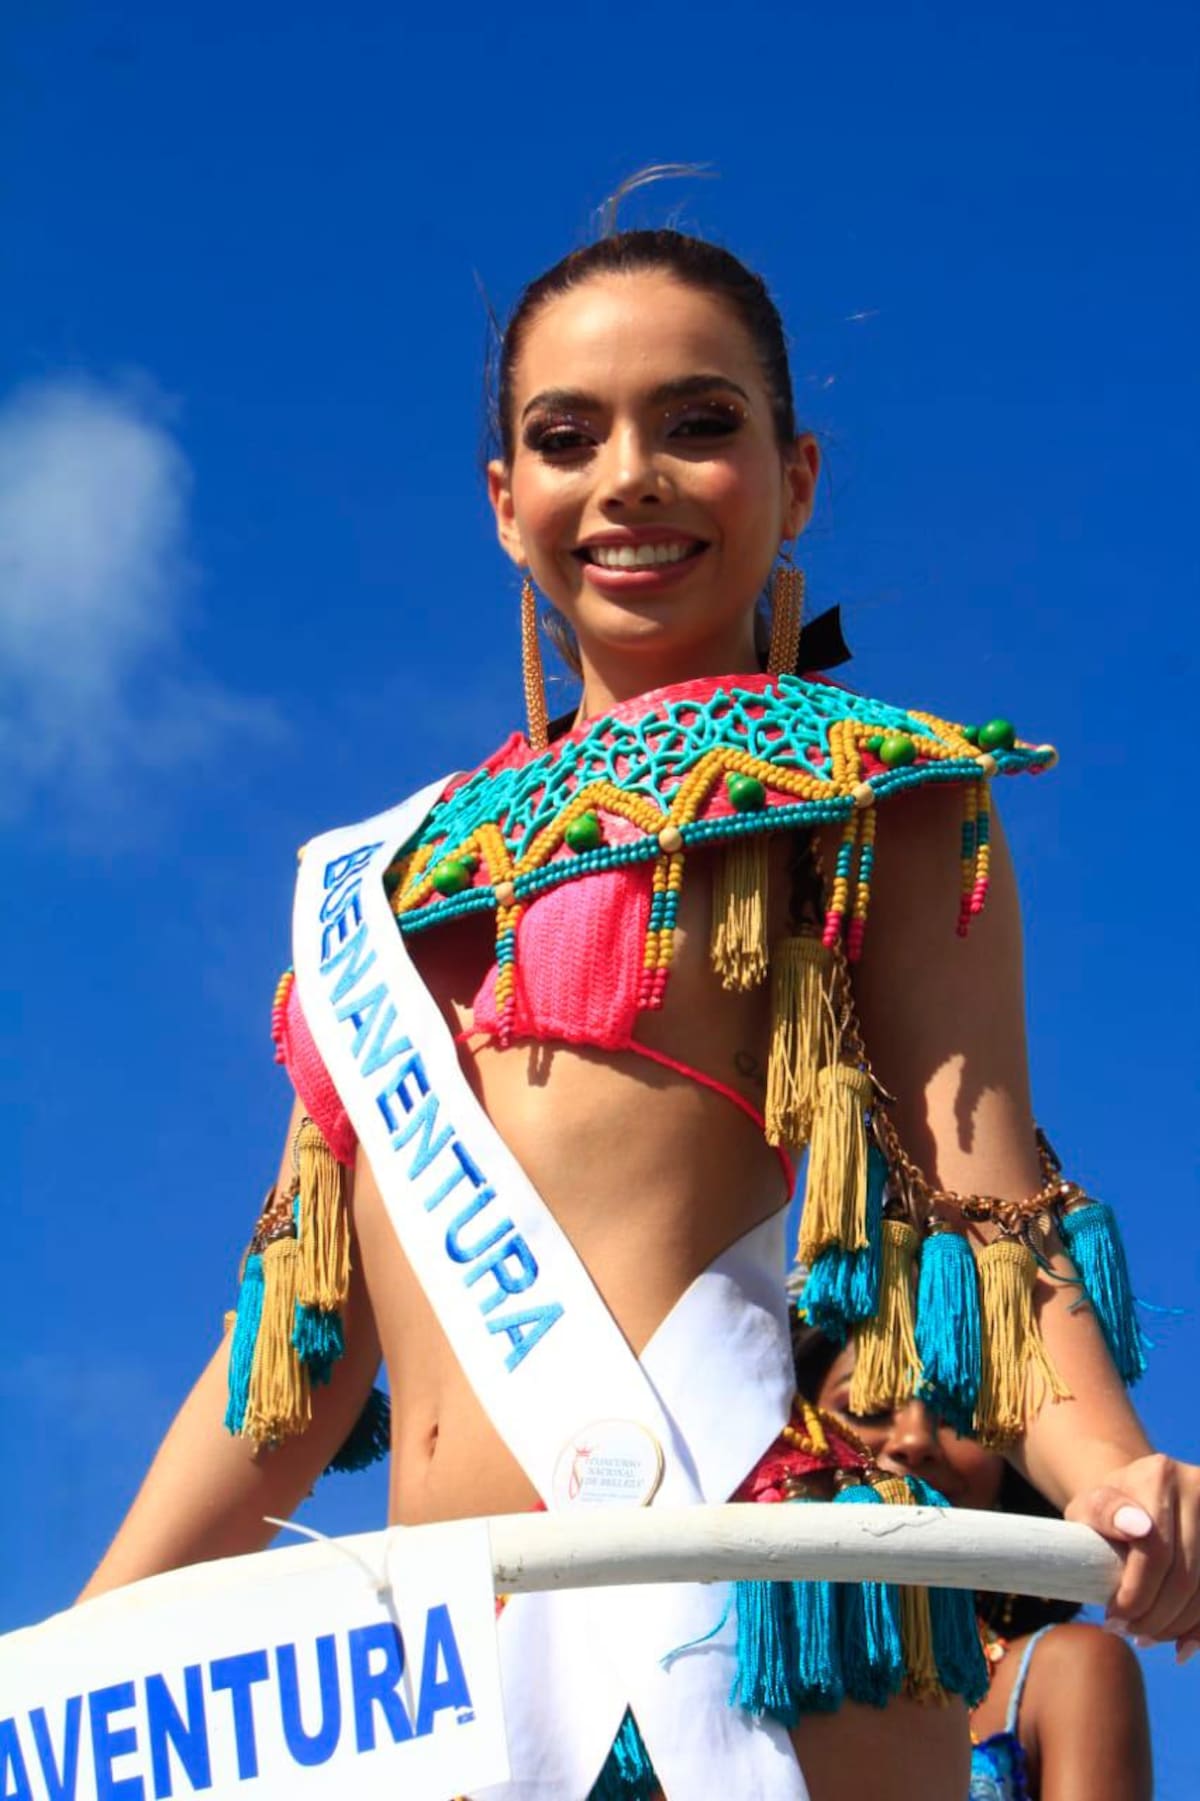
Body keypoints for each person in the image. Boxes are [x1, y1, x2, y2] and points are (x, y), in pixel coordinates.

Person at [78, 193, 1200, 1801]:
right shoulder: (375, 885)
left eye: (698, 424)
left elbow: (980, 1199)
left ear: (795, 474)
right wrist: (80, 1645)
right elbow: (295, 1348)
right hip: (434, 1693)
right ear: (502, 497)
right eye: (566, 434)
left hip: (751, 1627)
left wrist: (1108, 1473)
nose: (629, 478)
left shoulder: (874, 787)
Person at [795, 1322, 1155, 1800]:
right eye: (868, 1408)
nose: (914, 1440)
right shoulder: (710, 1647)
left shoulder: (1063, 1672)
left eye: (960, 1417)